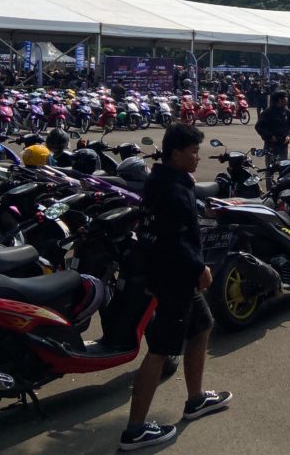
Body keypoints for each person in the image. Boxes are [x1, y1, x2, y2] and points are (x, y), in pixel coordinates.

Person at [121, 123, 231, 450]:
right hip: (173, 277)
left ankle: (196, 399)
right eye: (193, 152)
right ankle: (134, 430)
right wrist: (199, 268)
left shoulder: (164, 180)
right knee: (160, 349)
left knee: (202, 326)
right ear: (175, 153)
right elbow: (174, 238)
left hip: (172, 273)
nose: (198, 157)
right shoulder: (171, 189)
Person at [255, 90, 290, 187]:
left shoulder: (287, 111)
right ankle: (270, 190)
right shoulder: (268, 112)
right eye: (285, 97)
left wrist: (289, 135)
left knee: (284, 168)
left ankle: (281, 189)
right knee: (270, 169)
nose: (287, 99)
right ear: (280, 99)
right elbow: (259, 127)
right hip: (271, 146)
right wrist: (269, 136)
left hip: (283, 145)